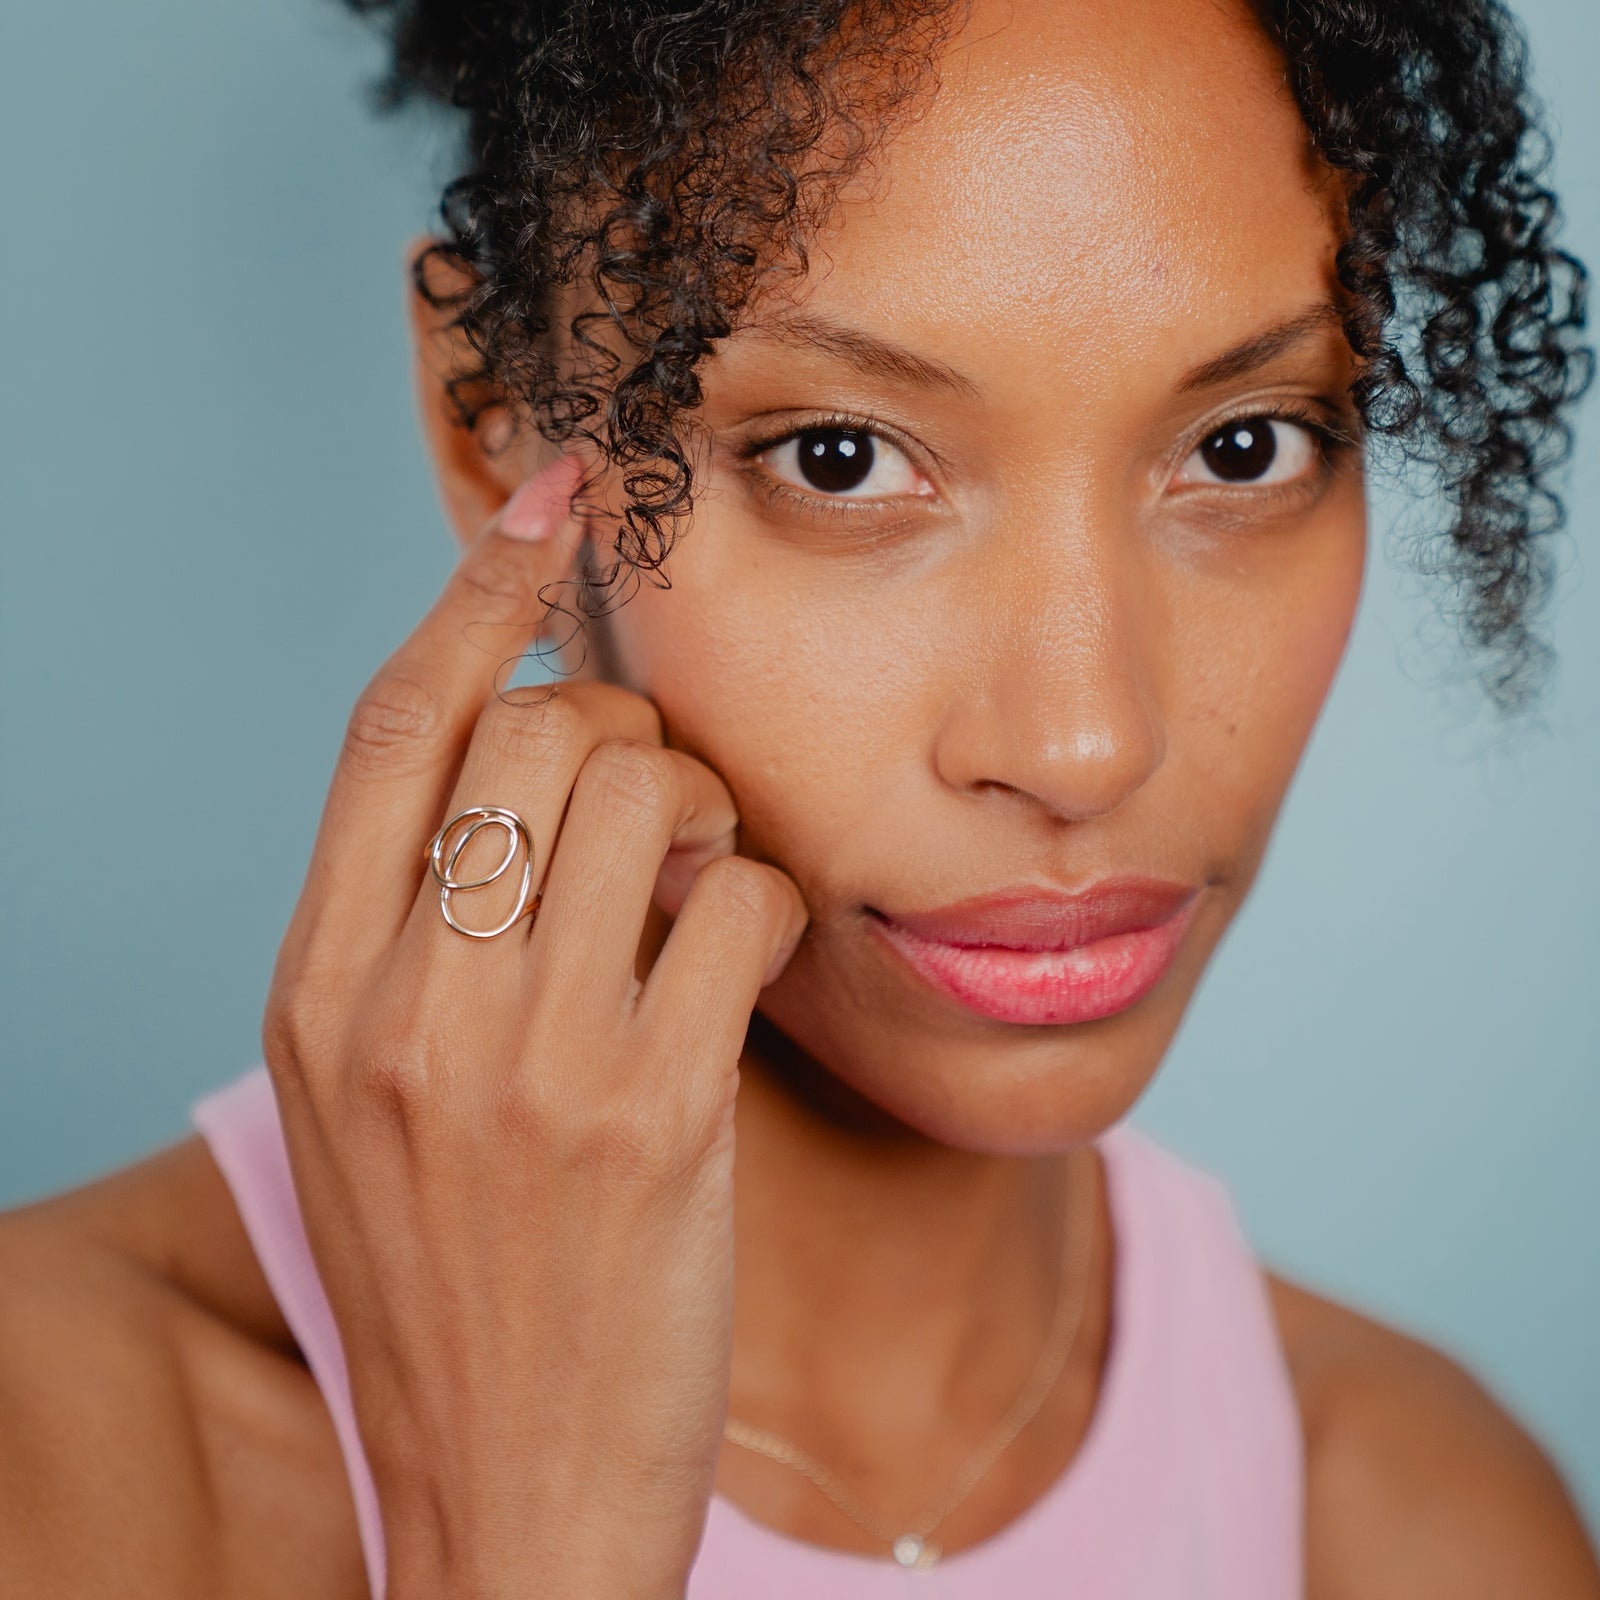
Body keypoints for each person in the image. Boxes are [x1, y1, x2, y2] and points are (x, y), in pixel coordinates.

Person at [2, 0, 1598, 1594]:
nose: (1084, 745)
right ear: (499, 422)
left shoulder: (1419, 1519)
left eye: (1245, 446)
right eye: (841, 459)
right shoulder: (61, 1463)